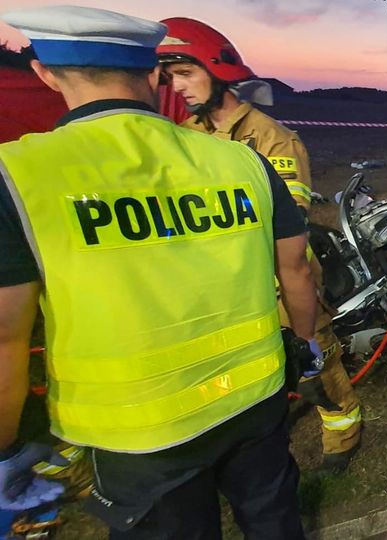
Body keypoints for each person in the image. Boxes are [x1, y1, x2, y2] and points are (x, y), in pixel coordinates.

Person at [0, 6, 319, 538]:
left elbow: (5, 335)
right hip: (253, 397)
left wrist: (5, 448)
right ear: (153, 74)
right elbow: (296, 268)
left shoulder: (17, 177)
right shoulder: (238, 162)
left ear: (45, 74)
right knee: (274, 523)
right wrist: (304, 343)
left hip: (138, 433)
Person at [157, 18, 363, 471]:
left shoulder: (272, 138)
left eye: (186, 73)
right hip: (221, 281)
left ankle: (341, 427)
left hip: (281, 278)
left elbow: (289, 220)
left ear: (217, 71)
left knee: (315, 358)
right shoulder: (183, 136)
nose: (179, 87)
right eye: (171, 77)